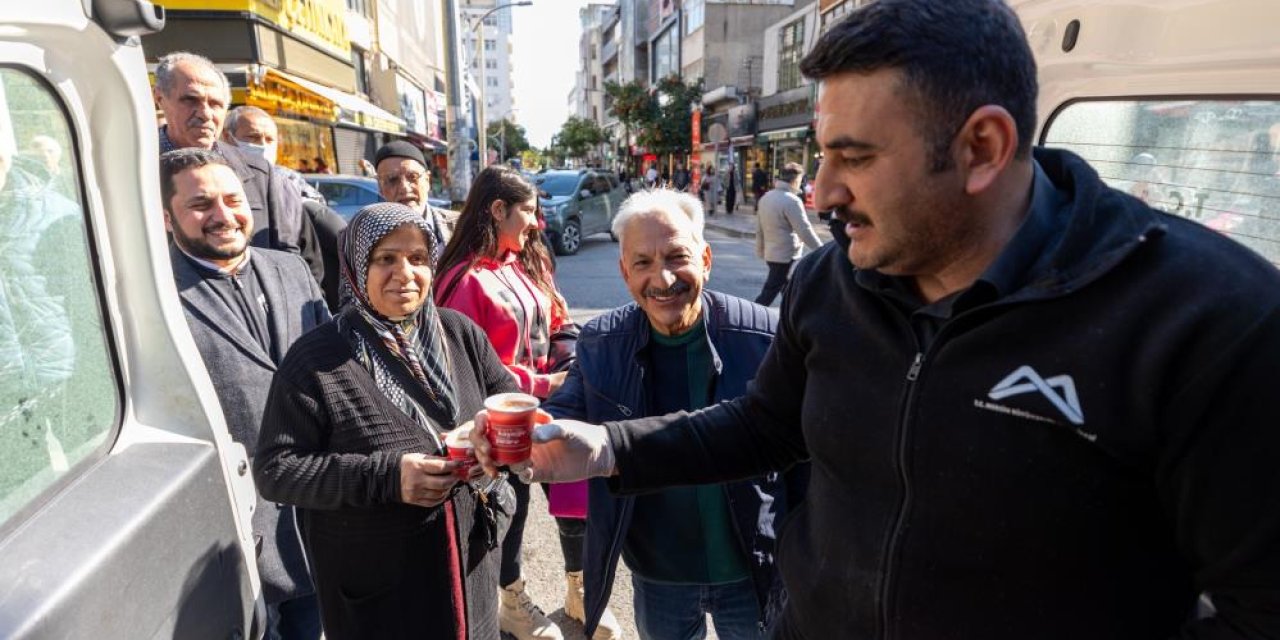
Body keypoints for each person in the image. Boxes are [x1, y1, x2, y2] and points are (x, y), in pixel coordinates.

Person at [471, 1, 1280, 638]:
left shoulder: (1211, 324)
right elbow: (764, 424)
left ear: (982, 147)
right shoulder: (832, 280)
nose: (820, 193)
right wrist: (608, 448)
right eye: (822, 153)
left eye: (853, 157)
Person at [542, 188, 805, 640]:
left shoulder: (764, 334)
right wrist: (517, 433)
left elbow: (805, 454)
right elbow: (562, 418)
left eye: (676, 256)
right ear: (625, 273)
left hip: (753, 565)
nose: (662, 279)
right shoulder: (601, 341)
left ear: (705, 259)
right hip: (658, 574)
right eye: (642, 262)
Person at [254, 202, 518, 640]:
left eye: (417, 258)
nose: (405, 273)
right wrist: (389, 477)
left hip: (472, 572)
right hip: (380, 593)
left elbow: (505, 400)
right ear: (358, 266)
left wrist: (492, 434)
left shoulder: (459, 333)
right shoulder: (317, 359)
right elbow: (276, 470)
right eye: (385, 259)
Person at [433, 165, 620, 640]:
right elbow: (473, 365)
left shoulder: (525, 261)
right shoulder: (462, 281)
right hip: (501, 414)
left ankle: (579, 588)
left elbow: (559, 319)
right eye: (529, 211)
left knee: (572, 497)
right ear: (498, 210)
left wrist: (571, 358)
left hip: (556, 400)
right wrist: (544, 383)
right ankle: (512, 601)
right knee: (510, 507)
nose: (537, 222)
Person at [159, 148, 329, 640]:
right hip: (229, 529)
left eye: (233, 199)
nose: (223, 215)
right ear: (167, 216)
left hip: (314, 518)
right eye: (201, 204)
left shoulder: (290, 268)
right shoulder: (155, 295)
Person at [153, 52, 306, 259]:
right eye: (191, 100)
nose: (205, 114)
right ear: (160, 99)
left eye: (215, 104)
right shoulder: (134, 170)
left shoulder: (259, 174)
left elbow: (286, 254)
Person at [222, 105, 338, 295]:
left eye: (269, 139)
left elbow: (311, 258)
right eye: (252, 137)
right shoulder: (218, 185)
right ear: (227, 137)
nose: (262, 145)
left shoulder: (290, 186)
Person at [753, 163, 822, 306]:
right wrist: (821, 250)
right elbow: (804, 230)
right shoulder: (791, 200)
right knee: (770, 292)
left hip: (772, 254)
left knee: (788, 290)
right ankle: (749, 317)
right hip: (785, 255)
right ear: (795, 179)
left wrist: (761, 251)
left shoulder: (766, 197)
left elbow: (759, 229)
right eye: (801, 180)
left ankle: (792, 319)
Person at [374, 140, 452, 262]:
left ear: (428, 180)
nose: (404, 188)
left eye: (413, 177)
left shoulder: (458, 228)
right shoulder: (370, 240)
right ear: (380, 189)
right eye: (392, 180)